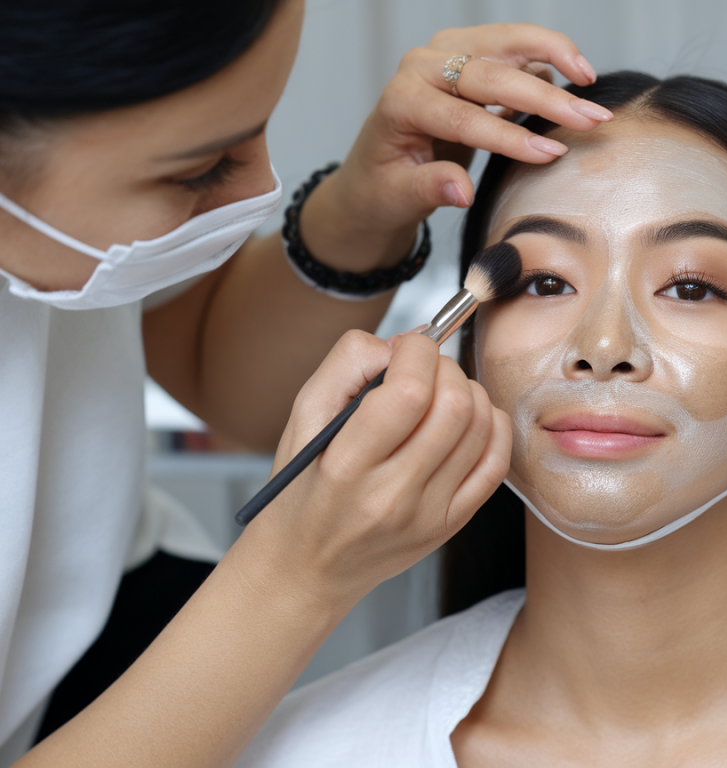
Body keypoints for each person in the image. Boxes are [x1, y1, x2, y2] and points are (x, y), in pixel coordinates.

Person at [236, 72, 727, 767]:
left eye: (690, 287)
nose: (603, 347)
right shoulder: (294, 748)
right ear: (469, 356)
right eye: (544, 282)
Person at [0, 0, 617, 764]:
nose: (262, 186)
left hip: (127, 627)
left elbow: (225, 383)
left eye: (691, 287)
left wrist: (362, 210)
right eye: (201, 168)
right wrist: (293, 579)